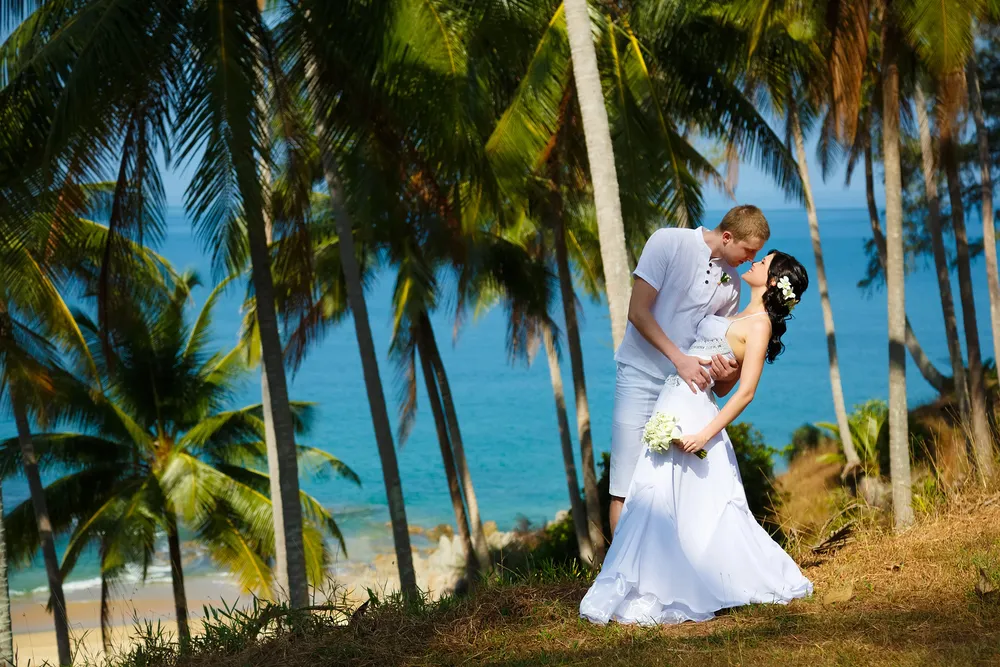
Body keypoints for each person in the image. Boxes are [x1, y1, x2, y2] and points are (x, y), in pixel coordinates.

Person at [580, 251, 813, 625]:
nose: (754, 262)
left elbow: (746, 391)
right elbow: (719, 378)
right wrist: (720, 372)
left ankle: (682, 584)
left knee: (682, 500)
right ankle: (651, 577)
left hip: (694, 414)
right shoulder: (735, 312)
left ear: (772, 282)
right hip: (671, 399)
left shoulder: (759, 325)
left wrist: (705, 433)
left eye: (764, 262)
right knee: (656, 496)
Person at [609, 205, 769, 535]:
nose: (751, 258)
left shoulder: (733, 286)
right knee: (625, 485)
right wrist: (679, 359)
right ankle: (617, 579)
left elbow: (722, 378)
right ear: (727, 236)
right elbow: (637, 312)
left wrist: (726, 373)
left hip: (688, 394)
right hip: (639, 375)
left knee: (676, 489)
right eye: (749, 250)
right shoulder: (667, 242)